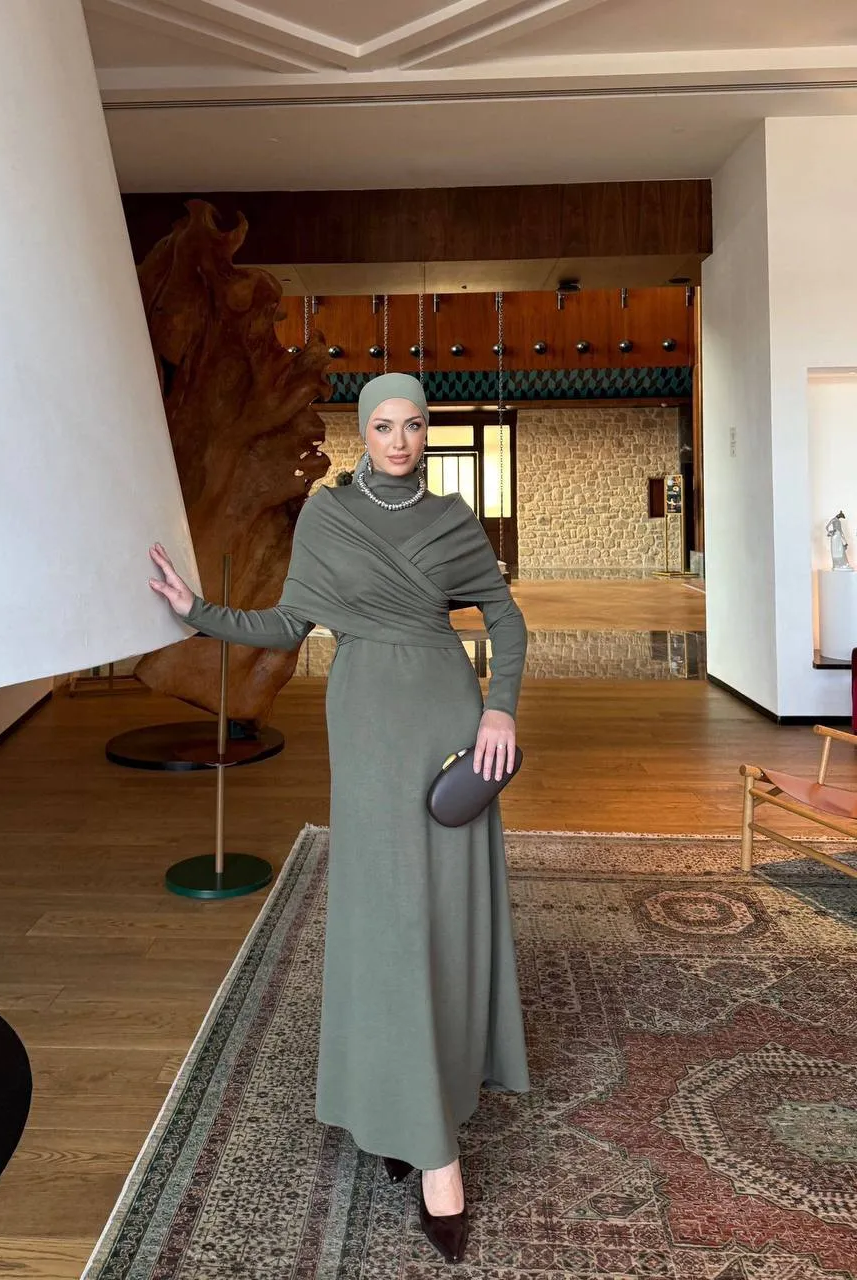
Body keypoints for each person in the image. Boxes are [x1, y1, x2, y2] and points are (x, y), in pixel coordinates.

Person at [149, 372, 531, 1265]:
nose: (399, 440)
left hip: (447, 716)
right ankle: (414, 1127)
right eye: (383, 425)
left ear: (427, 432)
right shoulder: (326, 516)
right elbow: (289, 625)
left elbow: (505, 620)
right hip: (365, 725)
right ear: (364, 431)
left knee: (441, 912)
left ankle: (429, 1120)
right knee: (385, 914)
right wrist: (195, 613)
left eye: (414, 425)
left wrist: (500, 710)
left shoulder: (452, 520)